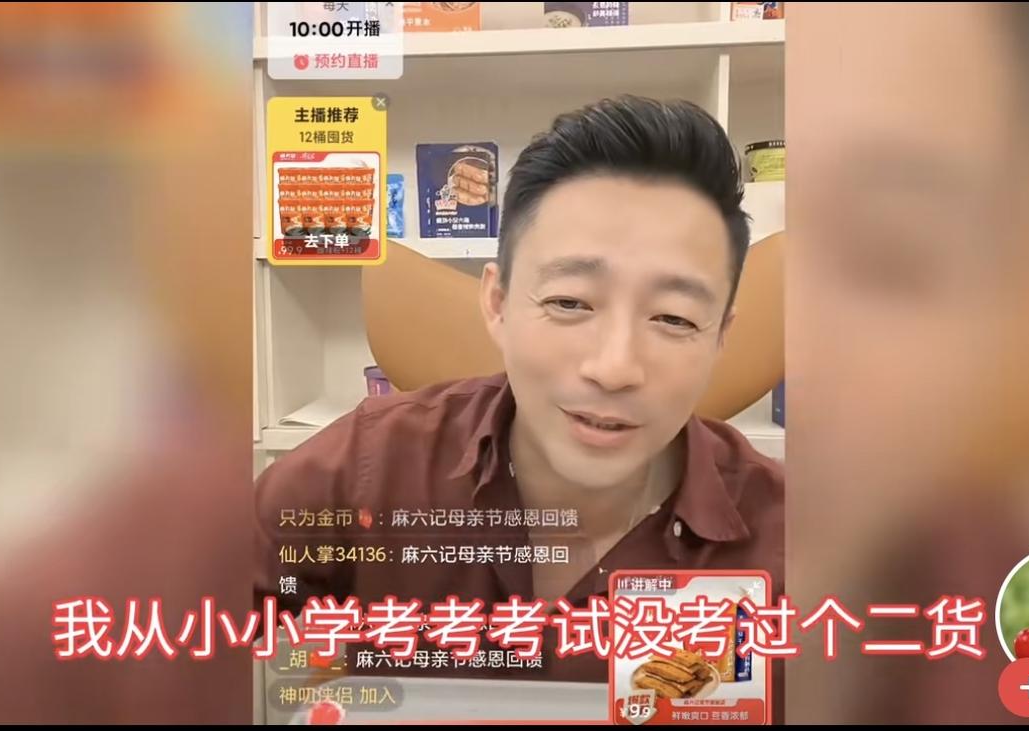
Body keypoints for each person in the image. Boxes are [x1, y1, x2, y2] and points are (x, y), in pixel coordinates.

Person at [254, 95, 784, 687]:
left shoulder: (792, 542)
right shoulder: (368, 469)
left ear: (719, 336)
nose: (614, 368)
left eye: (674, 318)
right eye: (569, 302)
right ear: (497, 303)